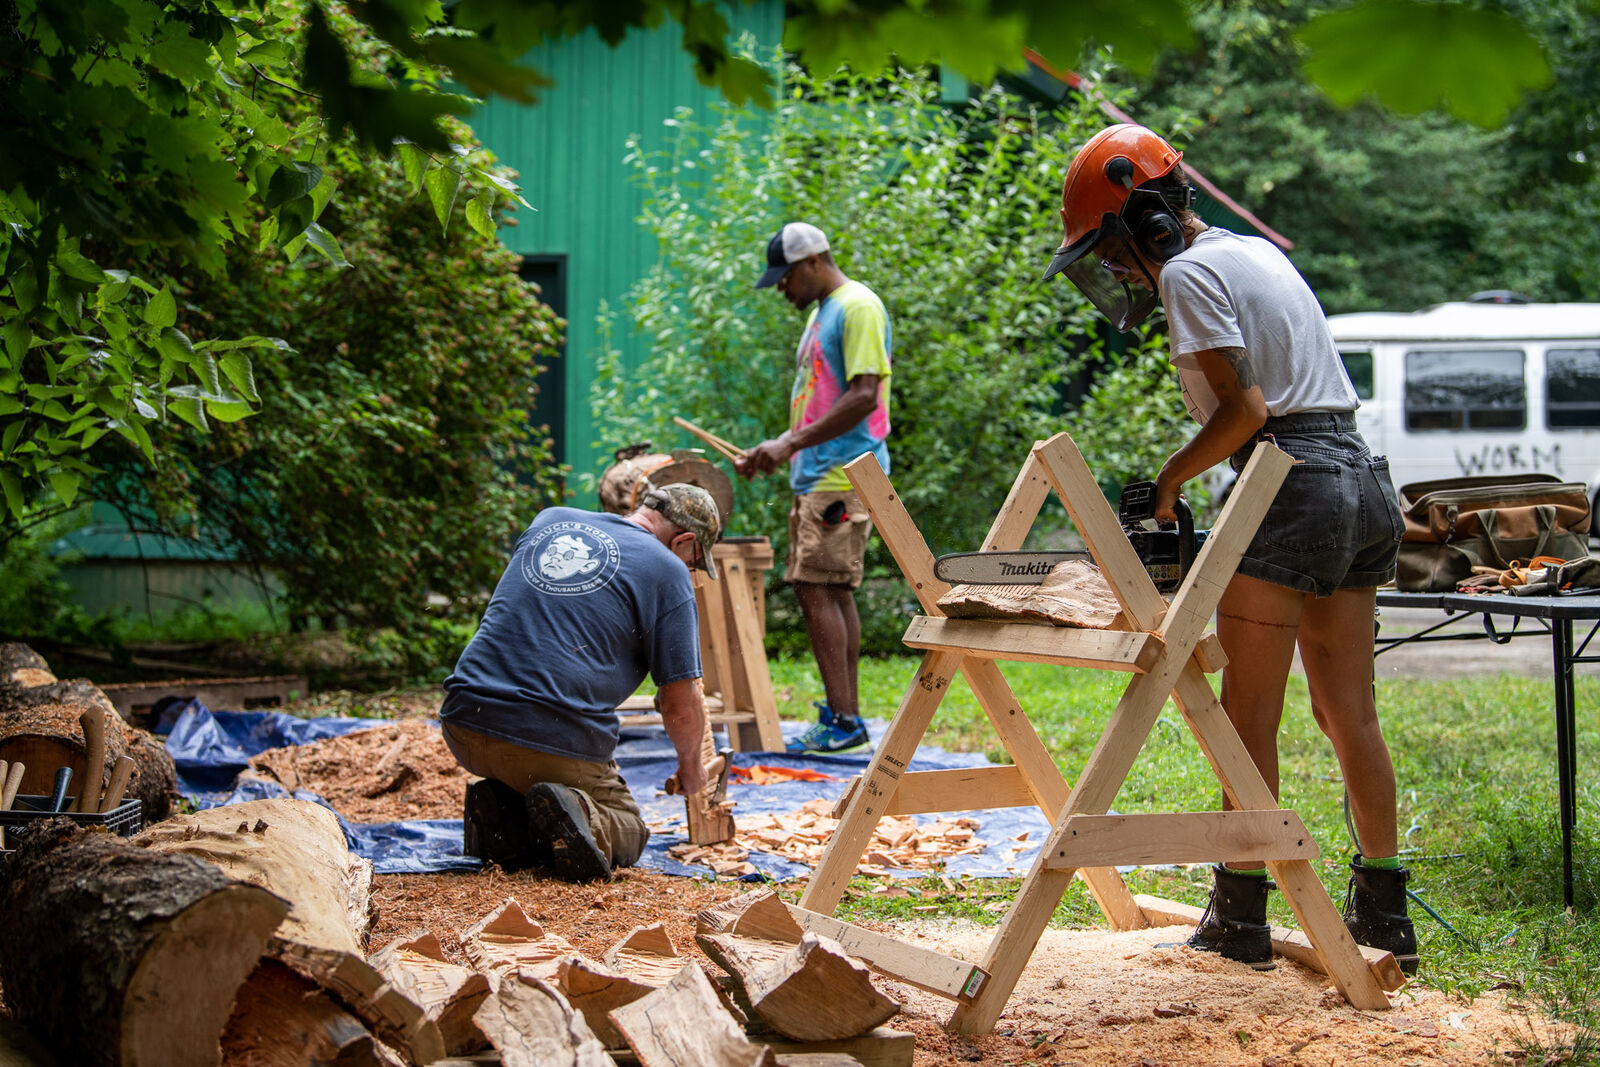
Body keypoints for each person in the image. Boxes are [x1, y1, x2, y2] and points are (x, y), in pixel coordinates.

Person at [1043, 123, 1418, 973]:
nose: (1117, 271)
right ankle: (1385, 909)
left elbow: (1245, 411)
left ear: (1147, 223)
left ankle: (1241, 913)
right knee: (1348, 713)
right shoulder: (1254, 253)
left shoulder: (1185, 272)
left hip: (1287, 478)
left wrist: (1169, 480)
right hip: (1359, 477)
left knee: (1249, 714)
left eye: (1112, 251)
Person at [438, 483, 721, 882]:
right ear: (684, 540)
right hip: (546, 737)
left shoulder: (551, 519)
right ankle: (580, 811)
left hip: (463, 720)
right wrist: (691, 767)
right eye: (693, 561)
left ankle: (504, 811)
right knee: (629, 829)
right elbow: (679, 702)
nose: (688, 569)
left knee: (529, 776)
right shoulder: (667, 569)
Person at [736, 221, 892, 754]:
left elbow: (865, 395)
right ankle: (846, 718)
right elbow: (820, 399)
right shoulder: (823, 312)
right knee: (828, 587)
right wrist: (777, 449)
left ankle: (845, 722)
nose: (782, 288)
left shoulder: (857, 306)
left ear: (813, 262)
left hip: (842, 474)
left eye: (785, 277)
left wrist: (790, 444)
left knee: (814, 585)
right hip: (819, 472)